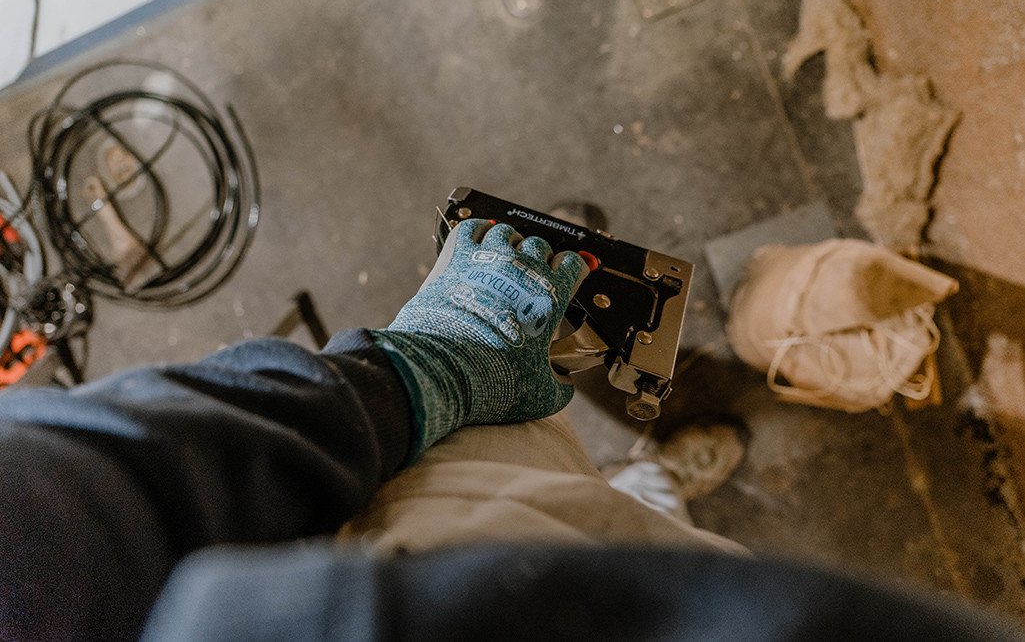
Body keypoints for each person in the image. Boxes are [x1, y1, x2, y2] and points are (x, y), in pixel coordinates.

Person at [0, 220, 1018, 641]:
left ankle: (653, 479)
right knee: (541, 503)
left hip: (340, 585)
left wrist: (423, 371)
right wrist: (427, 366)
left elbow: (54, 517)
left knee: (599, 509)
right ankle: (644, 486)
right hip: (410, 585)